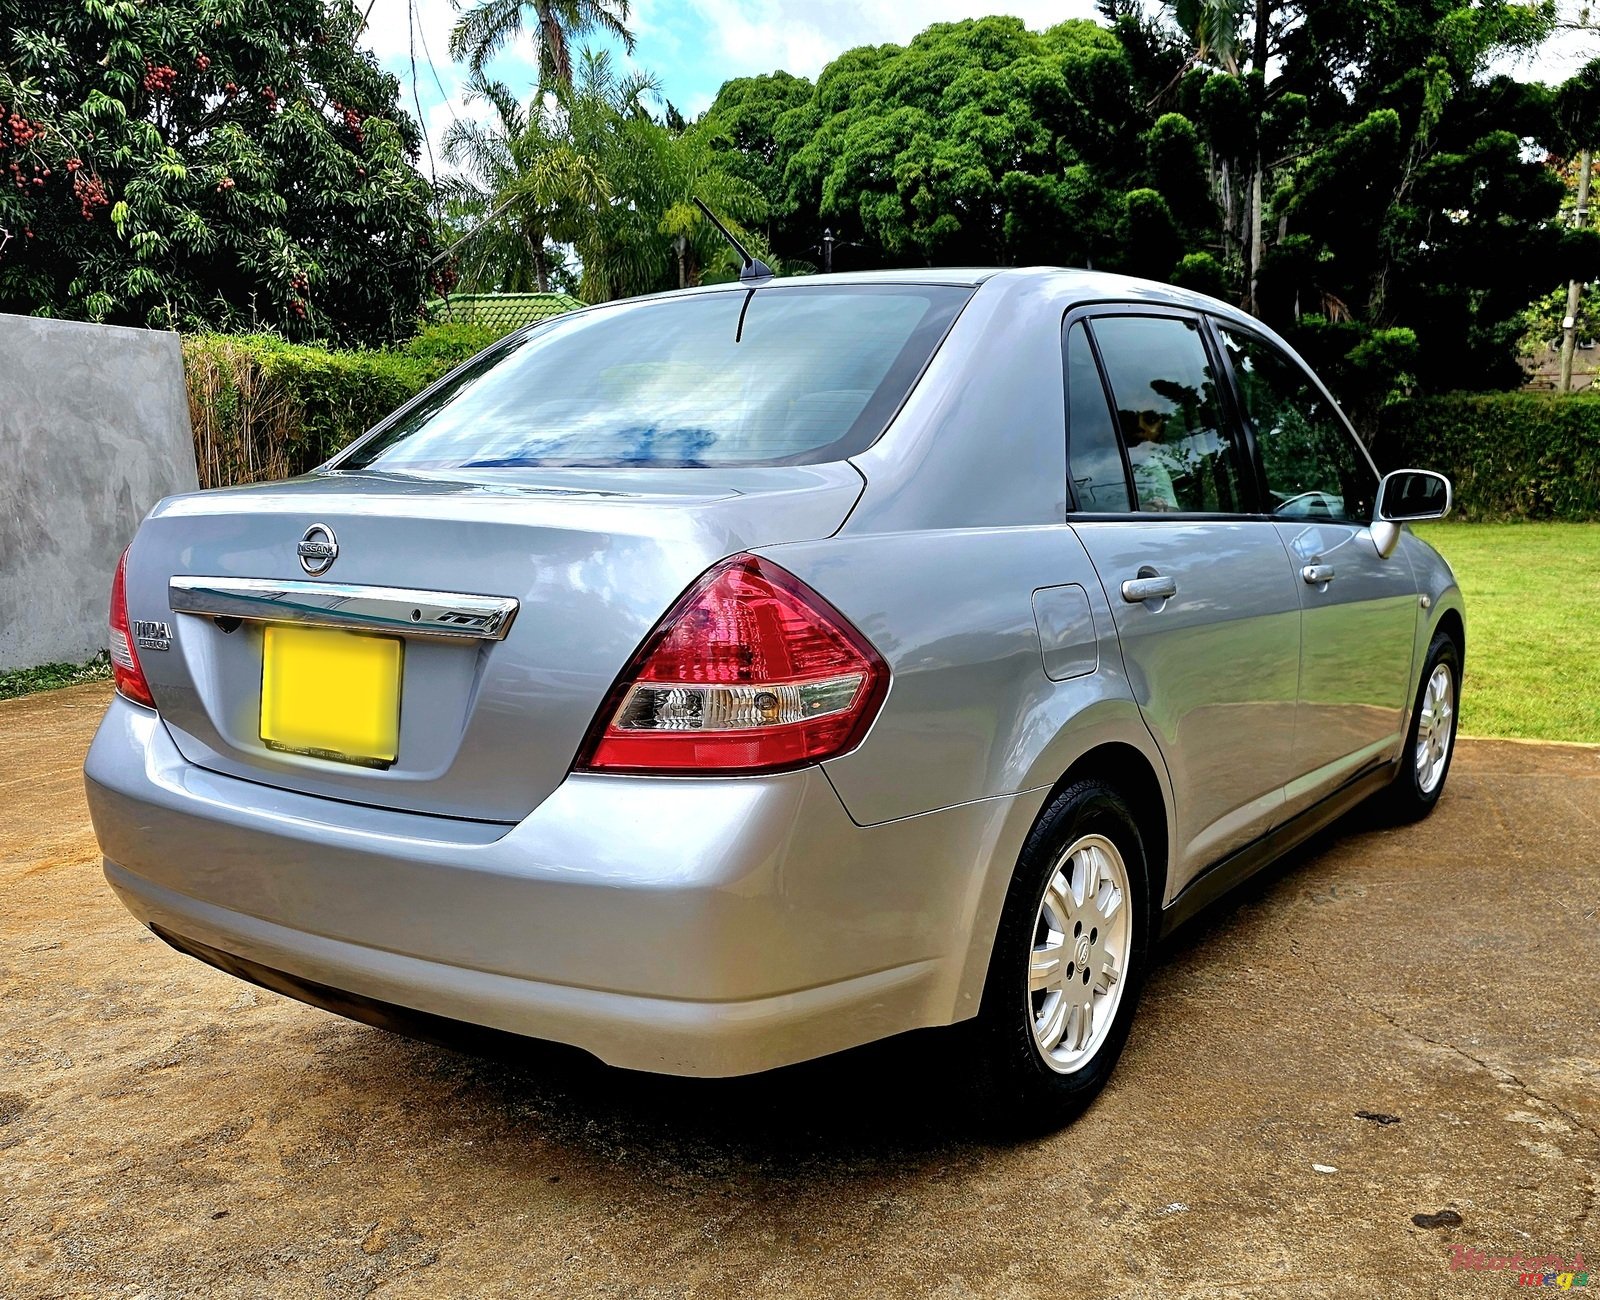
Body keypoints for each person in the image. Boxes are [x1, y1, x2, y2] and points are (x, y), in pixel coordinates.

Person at [1121, 408, 1181, 512]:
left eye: (1151, 440)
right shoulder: (1090, 462)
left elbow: (1169, 512)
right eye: (1139, 433)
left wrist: (1148, 509)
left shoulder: (1153, 469)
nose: (1146, 443)